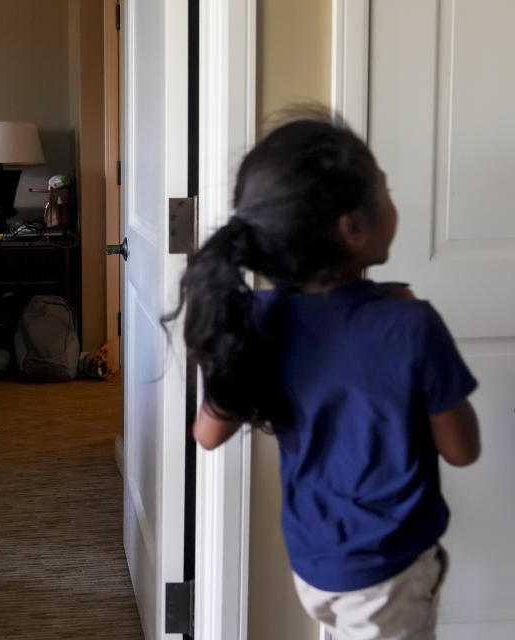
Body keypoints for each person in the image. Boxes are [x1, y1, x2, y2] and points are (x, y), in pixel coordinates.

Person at [166, 111, 481, 639]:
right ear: (351, 228)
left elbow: (207, 433)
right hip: (388, 573)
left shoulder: (262, 319)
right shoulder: (410, 325)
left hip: (313, 561)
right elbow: (462, 449)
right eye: (385, 190)